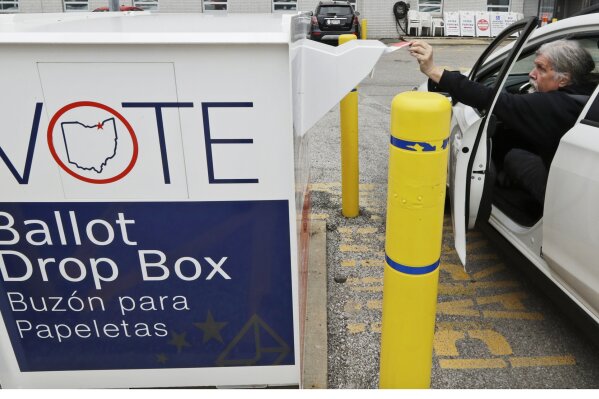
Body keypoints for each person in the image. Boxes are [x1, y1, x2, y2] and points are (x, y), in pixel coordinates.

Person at [408, 39, 596, 206]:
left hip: (563, 198)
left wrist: (432, 70)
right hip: (580, 183)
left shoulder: (553, 106)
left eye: (541, 68)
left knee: (514, 157)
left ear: (563, 80)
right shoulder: (587, 94)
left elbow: (492, 99)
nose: (532, 74)